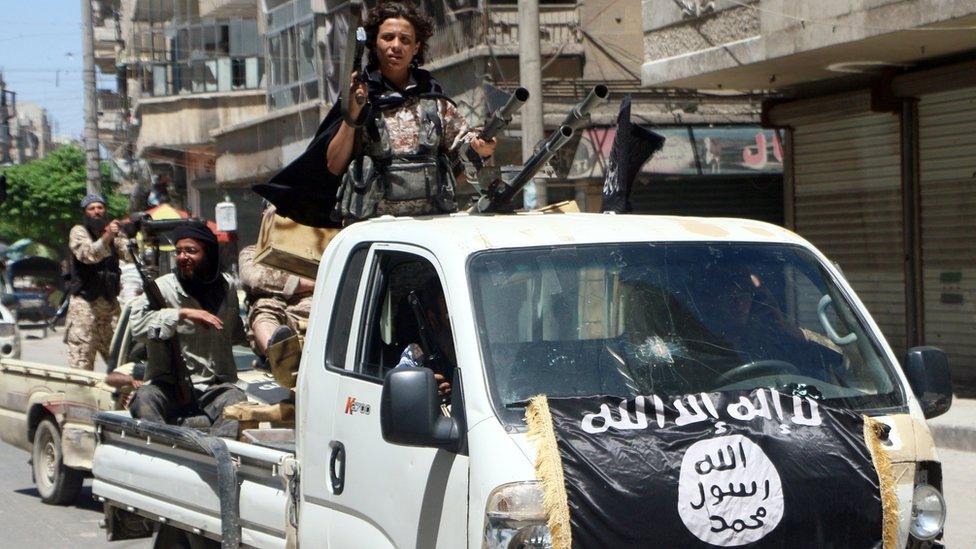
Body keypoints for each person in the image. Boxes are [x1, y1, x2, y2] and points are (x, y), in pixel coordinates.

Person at [254, 1, 498, 226]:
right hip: (373, 233)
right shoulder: (359, 96)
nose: (396, 46)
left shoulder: (433, 99)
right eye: (388, 37)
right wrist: (353, 114)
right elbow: (333, 165)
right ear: (374, 44)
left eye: (405, 39)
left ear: (416, 47)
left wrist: (480, 147)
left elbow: (463, 156)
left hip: (430, 228)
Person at [127, 223, 248, 438]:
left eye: (191, 251)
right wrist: (181, 314)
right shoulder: (162, 288)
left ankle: (219, 457)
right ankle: (164, 452)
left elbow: (237, 333)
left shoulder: (227, 288)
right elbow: (136, 327)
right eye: (179, 251)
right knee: (144, 398)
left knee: (236, 401)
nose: (183, 257)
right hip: (169, 387)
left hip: (214, 387)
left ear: (209, 254)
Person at [65, 193, 129, 370]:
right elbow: (89, 255)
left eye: (100, 207)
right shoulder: (79, 232)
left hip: (110, 307)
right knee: (81, 364)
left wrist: (132, 235)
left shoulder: (113, 233)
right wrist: (108, 235)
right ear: (85, 213)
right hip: (85, 308)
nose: (97, 211)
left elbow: (131, 256)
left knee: (123, 360)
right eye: (92, 208)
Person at [238, 243, 314, 356]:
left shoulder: (321, 252)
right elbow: (256, 278)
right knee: (264, 306)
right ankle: (277, 355)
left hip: (315, 312)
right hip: (278, 316)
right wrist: (306, 283)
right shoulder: (255, 251)